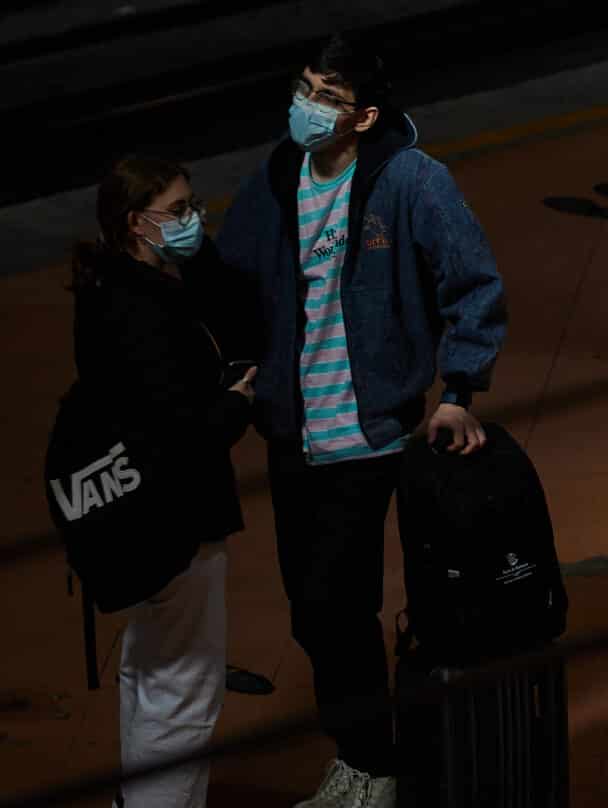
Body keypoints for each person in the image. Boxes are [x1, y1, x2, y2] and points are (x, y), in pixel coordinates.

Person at [216, 33, 506, 808]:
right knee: (312, 610)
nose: (306, 106)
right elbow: (233, 275)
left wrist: (459, 389)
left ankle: (371, 765)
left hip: (366, 435)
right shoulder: (281, 173)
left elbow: (472, 281)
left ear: (366, 116)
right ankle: (362, 750)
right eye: (303, 88)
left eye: (327, 98)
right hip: (290, 430)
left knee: (338, 607)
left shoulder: (411, 181)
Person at [69, 155, 256, 807]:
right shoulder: (142, 310)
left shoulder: (106, 288)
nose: (191, 220)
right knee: (185, 694)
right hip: (176, 521)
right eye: (176, 212)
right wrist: (237, 401)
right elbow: (183, 428)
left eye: (191, 206)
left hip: (132, 521)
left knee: (148, 671)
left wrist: (196, 257)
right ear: (134, 223)